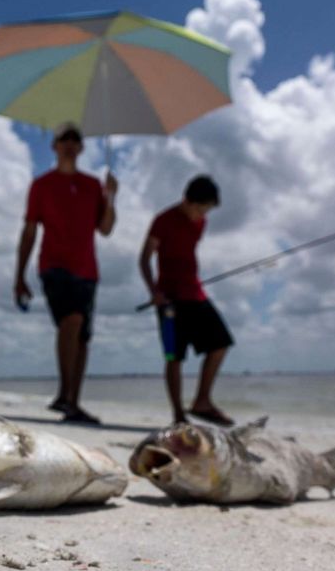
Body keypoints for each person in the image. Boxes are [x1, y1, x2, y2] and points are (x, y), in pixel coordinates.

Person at [14, 122, 118, 424]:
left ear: (82, 147)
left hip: (88, 269)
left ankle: (72, 400)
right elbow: (30, 230)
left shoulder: (92, 185)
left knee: (83, 337)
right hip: (54, 266)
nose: (70, 144)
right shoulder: (42, 184)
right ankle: (64, 393)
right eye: (64, 139)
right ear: (54, 146)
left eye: (75, 139)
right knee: (71, 321)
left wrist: (111, 197)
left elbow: (107, 229)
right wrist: (19, 275)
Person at [138, 175, 235, 427]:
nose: (202, 214)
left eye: (207, 210)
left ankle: (202, 401)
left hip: (195, 293)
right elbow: (144, 259)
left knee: (221, 343)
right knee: (174, 357)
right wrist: (154, 291)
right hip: (168, 300)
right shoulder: (163, 221)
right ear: (186, 200)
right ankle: (178, 415)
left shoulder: (200, 223)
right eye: (199, 208)